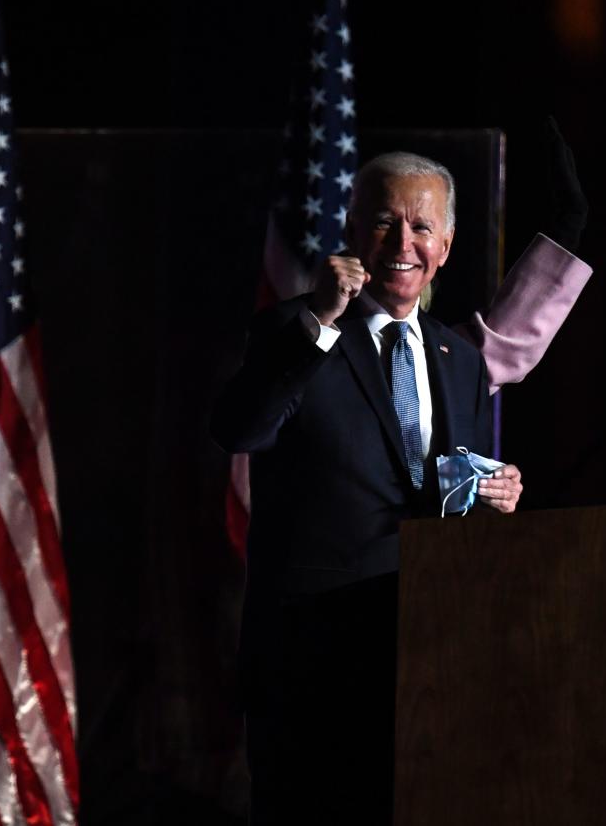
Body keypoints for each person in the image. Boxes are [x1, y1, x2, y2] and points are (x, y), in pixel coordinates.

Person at [211, 152, 525, 823]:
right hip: (310, 671)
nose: (403, 244)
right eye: (385, 224)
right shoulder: (294, 329)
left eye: (421, 227)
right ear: (352, 233)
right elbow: (240, 429)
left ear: (444, 246)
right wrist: (321, 324)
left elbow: (449, 490)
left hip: (425, 659)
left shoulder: (462, 360)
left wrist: (497, 496)